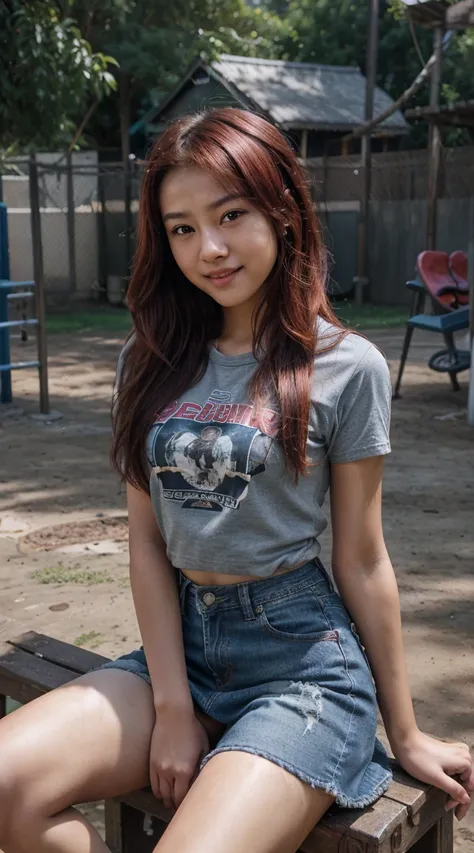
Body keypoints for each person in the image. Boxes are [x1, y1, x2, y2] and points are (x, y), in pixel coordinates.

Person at [0, 107, 472, 853]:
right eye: (182, 227)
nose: (208, 248)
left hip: (302, 668)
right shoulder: (148, 359)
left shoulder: (347, 367)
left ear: (282, 211)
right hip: (181, 644)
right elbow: (149, 542)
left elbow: (363, 558)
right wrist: (173, 704)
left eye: (231, 214)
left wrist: (405, 729)